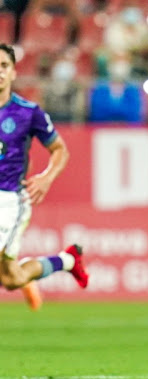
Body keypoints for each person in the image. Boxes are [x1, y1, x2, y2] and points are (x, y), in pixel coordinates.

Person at [0, 43, 89, 310]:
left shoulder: (27, 112)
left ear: (14, 72)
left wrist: (47, 177)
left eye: (4, 66)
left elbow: (59, 149)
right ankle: (68, 260)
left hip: (9, 201)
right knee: (11, 278)